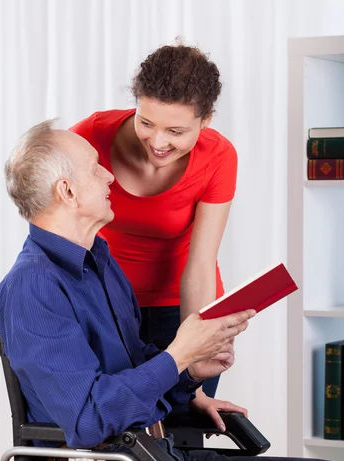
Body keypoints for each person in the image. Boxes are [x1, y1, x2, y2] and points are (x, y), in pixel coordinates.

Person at [0, 120, 344, 461]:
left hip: (157, 457)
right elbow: (88, 416)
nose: (110, 177)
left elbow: (136, 366)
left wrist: (190, 375)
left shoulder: (100, 261)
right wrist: (179, 353)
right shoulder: (32, 288)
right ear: (68, 190)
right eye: (97, 169)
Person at [70, 42, 238, 423]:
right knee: (114, 428)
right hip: (108, 304)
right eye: (145, 123)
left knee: (180, 428)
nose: (158, 143)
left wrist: (193, 359)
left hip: (180, 307)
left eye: (176, 131)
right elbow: (61, 229)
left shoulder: (219, 156)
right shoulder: (89, 137)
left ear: (206, 120)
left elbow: (200, 263)